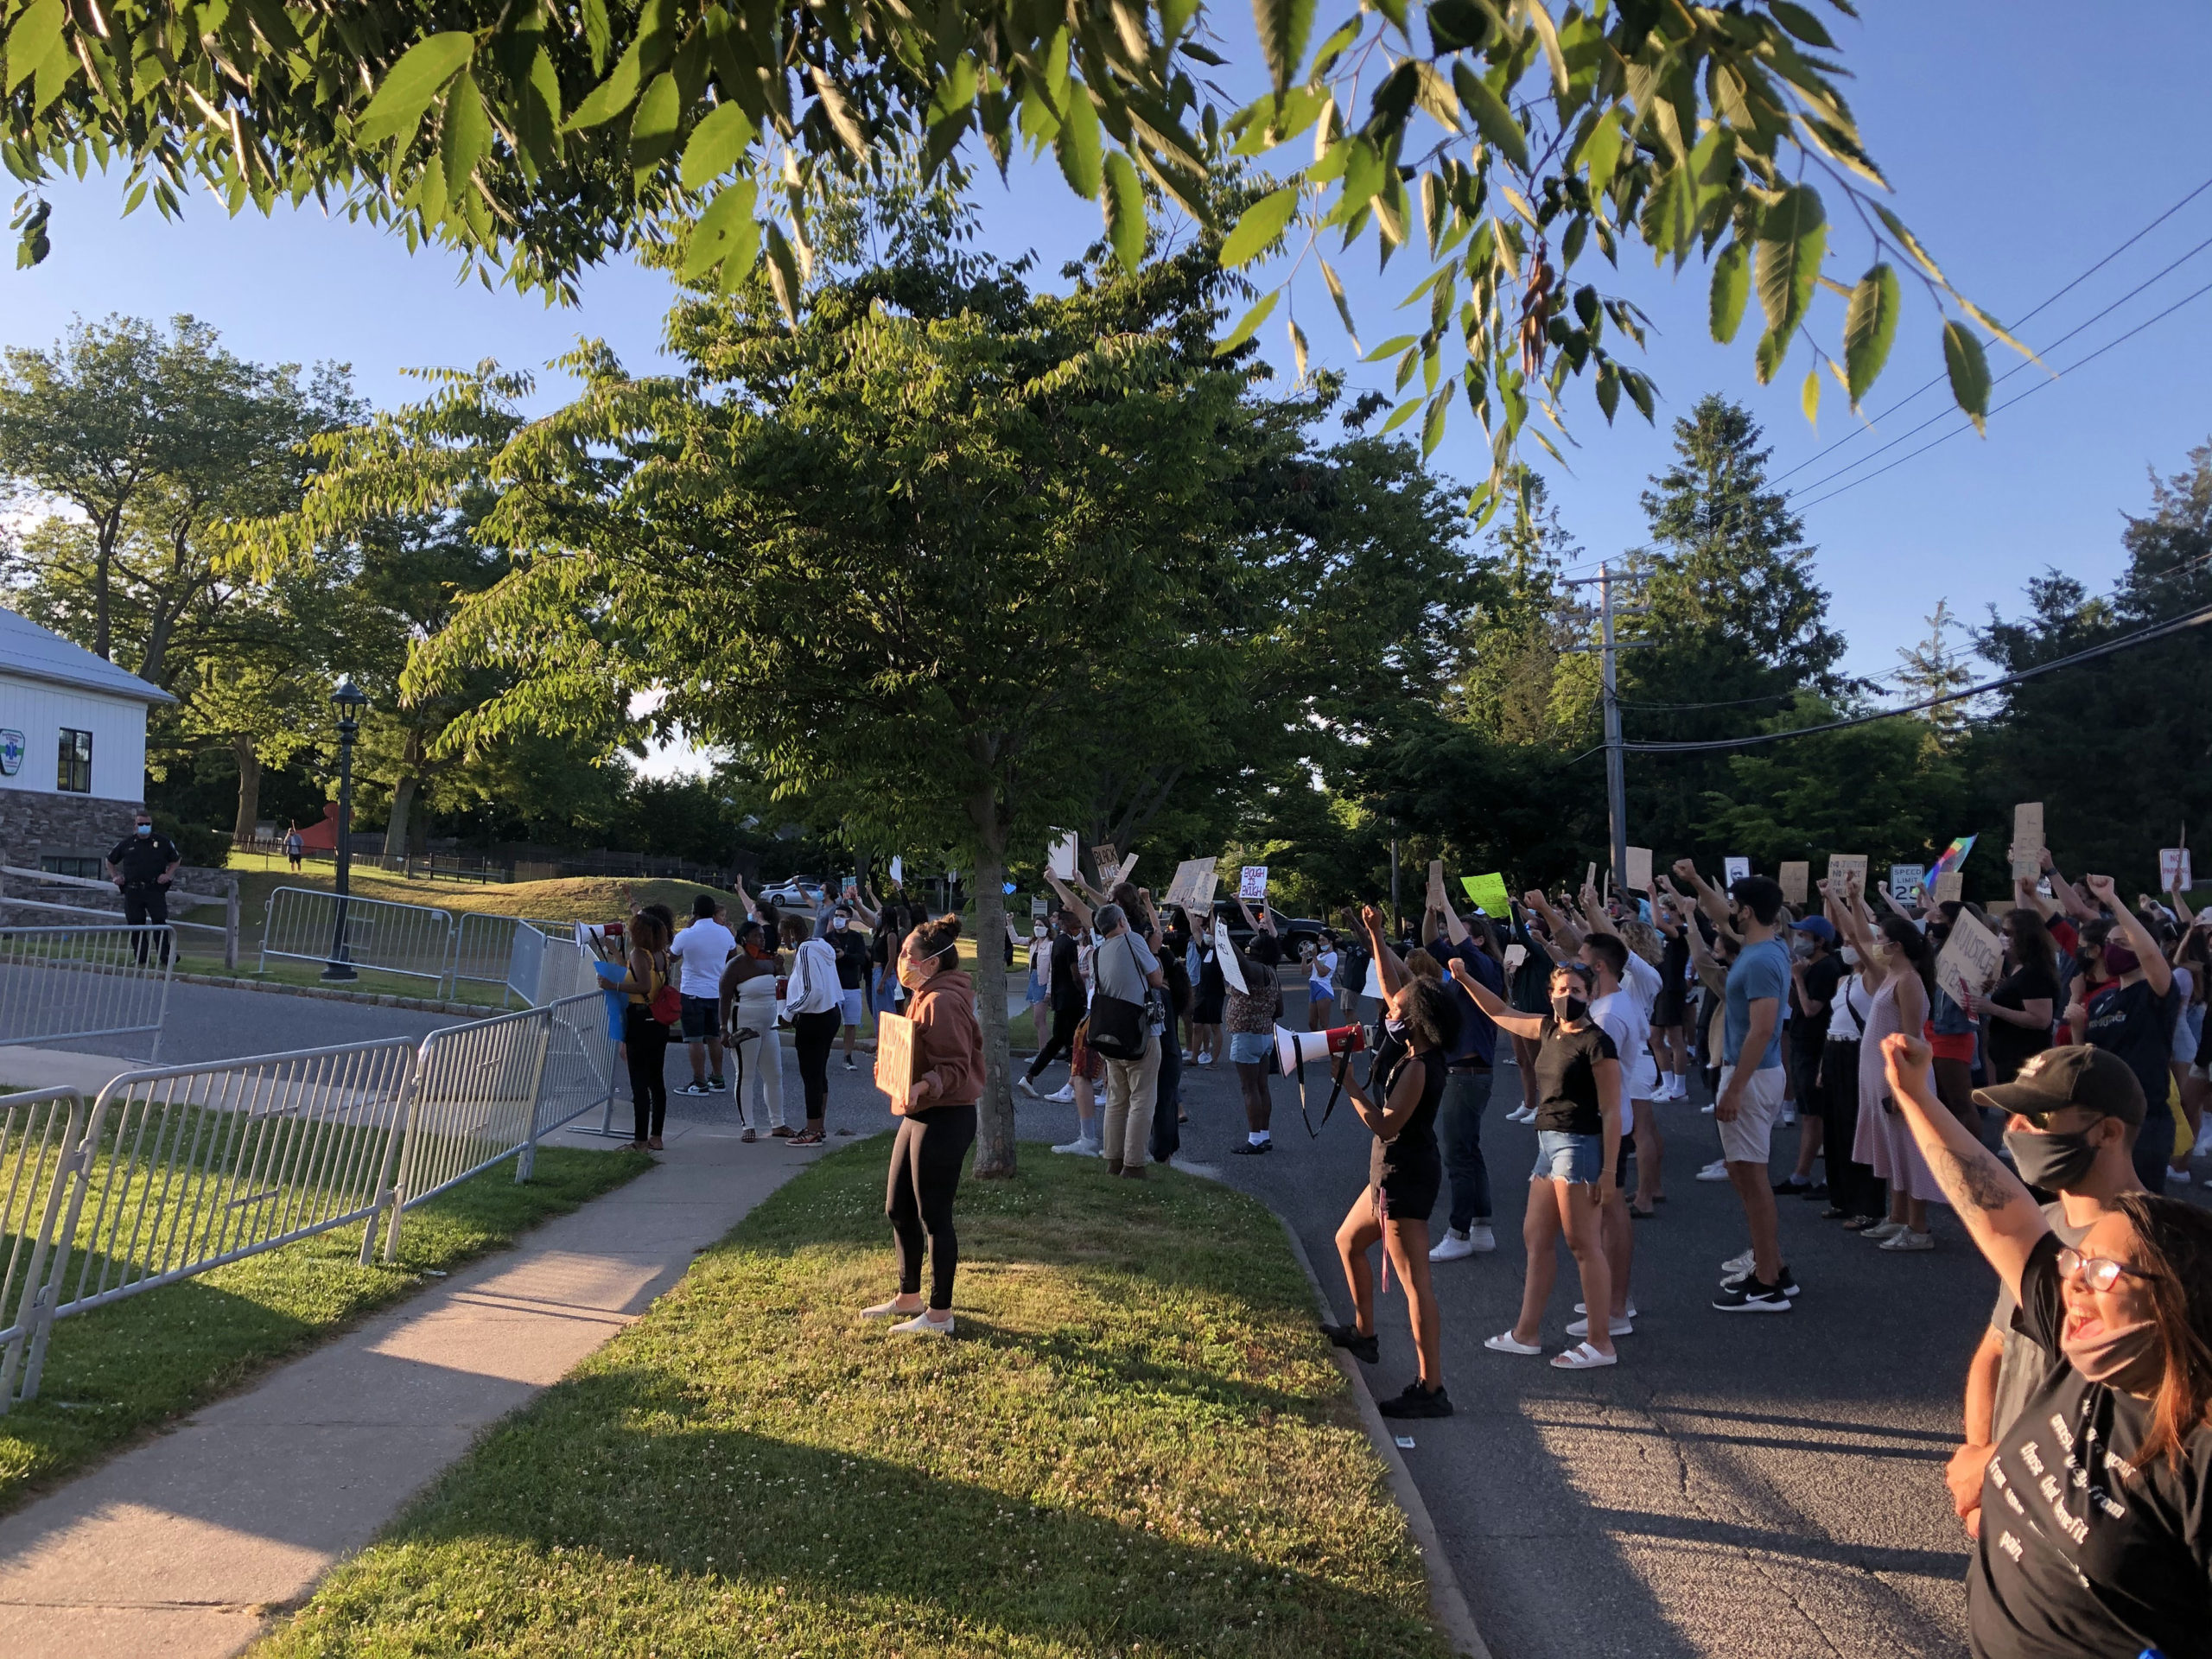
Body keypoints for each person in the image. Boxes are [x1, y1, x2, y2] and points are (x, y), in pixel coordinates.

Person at [1876, 1029, 2212, 1659]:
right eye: (2073, 1268)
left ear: (2172, 1299)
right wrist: (1915, 1096)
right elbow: (1994, 1208)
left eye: (2103, 1273)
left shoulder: (2195, 1445)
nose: (2075, 1286)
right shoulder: (2088, 1342)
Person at [1943, 1045, 2147, 1541]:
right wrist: (1978, 1463)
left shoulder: (2155, 1255)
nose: (2014, 1129)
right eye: (2012, 1114)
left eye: (2038, 1117)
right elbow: (1995, 1350)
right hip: (2006, 1502)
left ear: (2108, 1131)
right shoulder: (2041, 1229)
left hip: (2081, 1523)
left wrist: (1996, 1467)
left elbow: (2137, 1421)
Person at [1321, 905, 1462, 1418]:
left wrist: (1352, 1085)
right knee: (1347, 1240)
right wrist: (1377, 935)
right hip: (1393, 1171)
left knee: (1414, 1283)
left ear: (1416, 1023)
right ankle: (1363, 1333)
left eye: (1396, 1013)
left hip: (1404, 1176)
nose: (1388, 1014)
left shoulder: (1418, 1069)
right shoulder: (1420, 1046)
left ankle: (1431, 1388)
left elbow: (1386, 1124)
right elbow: (1394, 983)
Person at [1451, 957, 1622, 1369]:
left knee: (1583, 1244)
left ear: (1591, 995)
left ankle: (1601, 1342)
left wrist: (1610, 1172)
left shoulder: (1598, 1042)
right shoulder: (1547, 1028)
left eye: (1576, 991)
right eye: (1561, 990)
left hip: (1578, 1145)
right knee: (1536, 1237)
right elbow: (1500, 1012)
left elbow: (1613, 1110)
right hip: (1548, 1145)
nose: (1567, 997)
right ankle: (1526, 1333)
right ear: (1551, 995)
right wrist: (1465, 977)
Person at [861, 913, 982, 1337]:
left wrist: (924, 1084)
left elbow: (956, 1067)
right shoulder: (923, 993)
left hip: (946, 1115)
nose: (902, 961)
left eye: (908, 955)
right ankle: (908, 1296)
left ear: (931, 963)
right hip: (920, 1113)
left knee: (934, 1215)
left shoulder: (943, 1000)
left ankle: (939, 1314)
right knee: (898, 1206)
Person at [1834, 887, 1944, 1252]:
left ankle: (1918, 1227)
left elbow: (1911, 1038)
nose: (1877, 943)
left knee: (1911, 1150)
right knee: (1892, 1147)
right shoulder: (1892, 975)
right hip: (1880, 1074)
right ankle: (1897, 1216)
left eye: (1884, 939)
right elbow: (1861, 938)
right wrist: (1849, 900)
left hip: (1900, 1077)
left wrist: (1904, 1086)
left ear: (1897, 946)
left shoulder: (1909, 980)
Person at [1707, 874, 1796, 1311]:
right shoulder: (1767, 947)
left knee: (1751, 1177)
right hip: (1753, 1073)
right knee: (1743, 1173)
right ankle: (1773, 1265)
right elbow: (1718, 920)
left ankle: (1767, 1282)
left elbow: (1763, 1030)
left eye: (1733, 904)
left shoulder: (1762, 959)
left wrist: (1734, 1089)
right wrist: (1689, 883)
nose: (1728, 910)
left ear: (1746, 910)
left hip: (1751, 1074)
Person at [2065, 874, 2181, 1194]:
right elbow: (2088, 1058)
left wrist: (2112, 901)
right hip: (2102, 1117)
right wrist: (2077, 1028)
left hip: (2145, 1121)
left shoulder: (2155, 992)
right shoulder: (2103, 1000)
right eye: (2110, 944)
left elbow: (2150, 957)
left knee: (2141, 1208)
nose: (2114, 950)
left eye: (2123, 943)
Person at [1427, 893, 1503, 1262]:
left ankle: (1458, 1232)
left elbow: (1458, 943)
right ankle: (1481, 1227)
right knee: (1470, 1151)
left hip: (1467, 1074)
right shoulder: (1463, 970)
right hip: (1466, 1073)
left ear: (1480, 940)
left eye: (1461, 935)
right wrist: (1430, 910)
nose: (1452, 940)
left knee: (1457, 1155)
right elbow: (1429, 943)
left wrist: (1446, 903)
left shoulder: (1483, 966)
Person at [1577, 932, 1645, 1338]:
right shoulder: (1606, 1006)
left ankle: (1615, 1308)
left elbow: (1594, 1074)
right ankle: (1611, 1299)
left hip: (1605, 1123)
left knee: (1610, 1211)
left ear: (1599, 967)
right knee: (1603, 1213)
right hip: (1605, 1120)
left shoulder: (1608, 1016)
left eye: (1582, 959)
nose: (1576, 961)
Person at [1090, 901, 1164, 1179]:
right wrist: (1155, 953)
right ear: (1122, 922)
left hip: (1109, 1034)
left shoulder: (1097, 953)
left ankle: (1113, 1159)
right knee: (1142, 1098)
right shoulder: (1132, 940)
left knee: (1116, 1099)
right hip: (1140, 1032)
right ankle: (1133, 1164)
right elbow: (1156, 979)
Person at [1777, 916, 1846, 1197]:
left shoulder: (1827, 968)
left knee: (1819, 1115)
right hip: (1802, 1042)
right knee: (1810, 1114)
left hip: (1817, 1045)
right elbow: (1794, 1003)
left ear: (1820, 941)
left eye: (1804, 935)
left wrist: (1798, 979)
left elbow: (1811, 1009)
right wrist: (1796, 980)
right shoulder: (1809, 967)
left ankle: (1828, 1177)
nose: (1798, 940)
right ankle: (1801, 1175)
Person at [1969, 904, 2062, 1089]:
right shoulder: (2019, 967)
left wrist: (1992, 1008)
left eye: (2007, 932)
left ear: (2024, 936)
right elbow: (2019, 1001)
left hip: (2024, 1060)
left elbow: (2041, 1019)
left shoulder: (2035, 972)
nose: (2002, 937)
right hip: (2008, 1058)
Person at [718, 919, 788, 1141]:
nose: (762, 939)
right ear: (744, 940)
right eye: (757, 936)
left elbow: (782, 987)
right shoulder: (736, 966)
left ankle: (778, 1123)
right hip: (745, 1023)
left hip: (769, 1024)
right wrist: (723, 1028)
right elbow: (724, 998)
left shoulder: (768, 961)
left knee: (774, 1075)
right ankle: (747, 1124)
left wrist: (780, 967)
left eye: (763, 936)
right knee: (746, 1074)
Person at [781, 912, 842, 1145]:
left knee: (811, 1075)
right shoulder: (820, 947)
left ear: (793, 933)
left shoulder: (806, 951)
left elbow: (812, 991)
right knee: (819, 1072)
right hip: (830, 1014)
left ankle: (813, 1129)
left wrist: (788, 1013)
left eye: (783, 935)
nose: (783, 941)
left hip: (814, 1018)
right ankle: (818, 1124)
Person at [1224, 918, 1283, 1155]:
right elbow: (1280, 1010)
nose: (1248, 947)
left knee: (1248, 1088)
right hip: (1264, 1035)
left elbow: (1243, 965)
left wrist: (1225, 938)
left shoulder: (1256, 970)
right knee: (1261, 1086)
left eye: (1252, 945)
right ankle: (1264, 1135)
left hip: (1247, 1035)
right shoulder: (1272, 974)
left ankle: (1254, 1139)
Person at [617, 909, 674, 1150]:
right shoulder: (661, 955)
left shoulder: (639, 954)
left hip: (640, 1019)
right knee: (656, 1080)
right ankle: (656, 1136)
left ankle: (639, 1139)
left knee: (639, 1083)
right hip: (658, 1022)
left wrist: (613, 985)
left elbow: (642, 984)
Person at [668, 893, 735, 1097]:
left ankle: (699, 1082)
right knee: (714, 1036)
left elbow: (671, 957)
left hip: (692, 992)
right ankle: (718, 1078)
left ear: (694, 911)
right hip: (717, 992)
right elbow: (732, 957)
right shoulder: (725, 933)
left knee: (695, 1039)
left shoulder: (687, 934)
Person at [1019, 909, 1085, 1100]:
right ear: (1068, 924)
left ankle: (1030, 1075)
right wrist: (1082, 991)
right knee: (1074, 1041)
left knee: (1058, 1040)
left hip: (1060, 998)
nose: (1079, 928)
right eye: (1077, 924)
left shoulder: (1056, 943)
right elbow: (1074, 973)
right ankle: (1073, 1083)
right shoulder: (1070, 945)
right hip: (1071, 999)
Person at [105, 809, 181, 966]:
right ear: (135, 825)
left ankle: (165, 956)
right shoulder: (127, 844)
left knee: (159, 922)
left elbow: (176, 860)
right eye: (141, 824)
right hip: (133, 890)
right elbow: (110, 861)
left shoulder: (162, 842)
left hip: (155, 889)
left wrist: (168, 874)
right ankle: (142, 958)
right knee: (136, 924)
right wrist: (115, 877)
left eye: (147, 824)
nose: (144, 826)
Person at [827, 900, 876, 1071]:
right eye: (835, 916)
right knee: (829, 1023)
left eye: (841, 916)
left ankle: (847, 1056)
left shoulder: (856, 938)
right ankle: (824, 1053)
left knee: (851, 1022)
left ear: (848, 919)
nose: (837, 919)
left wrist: (844, 956)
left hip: (852, 986)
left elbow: (861, 959)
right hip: (832, 987)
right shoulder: (827, 938)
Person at [1306, 929, 1340, 1031]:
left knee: (1323, 1023)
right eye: (1319, 941)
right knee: (1312, 1023)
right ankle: (1315, 1042)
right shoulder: (1320, 955)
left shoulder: (1332, 956)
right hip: (1313, 988)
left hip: (1323, 989)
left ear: (1330, 941)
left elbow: (1322, 973)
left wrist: (1314, 958)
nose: (1320, 943)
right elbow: (1304, 970)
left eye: (1323, 940)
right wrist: (1304, 956)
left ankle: (1327, 1044)